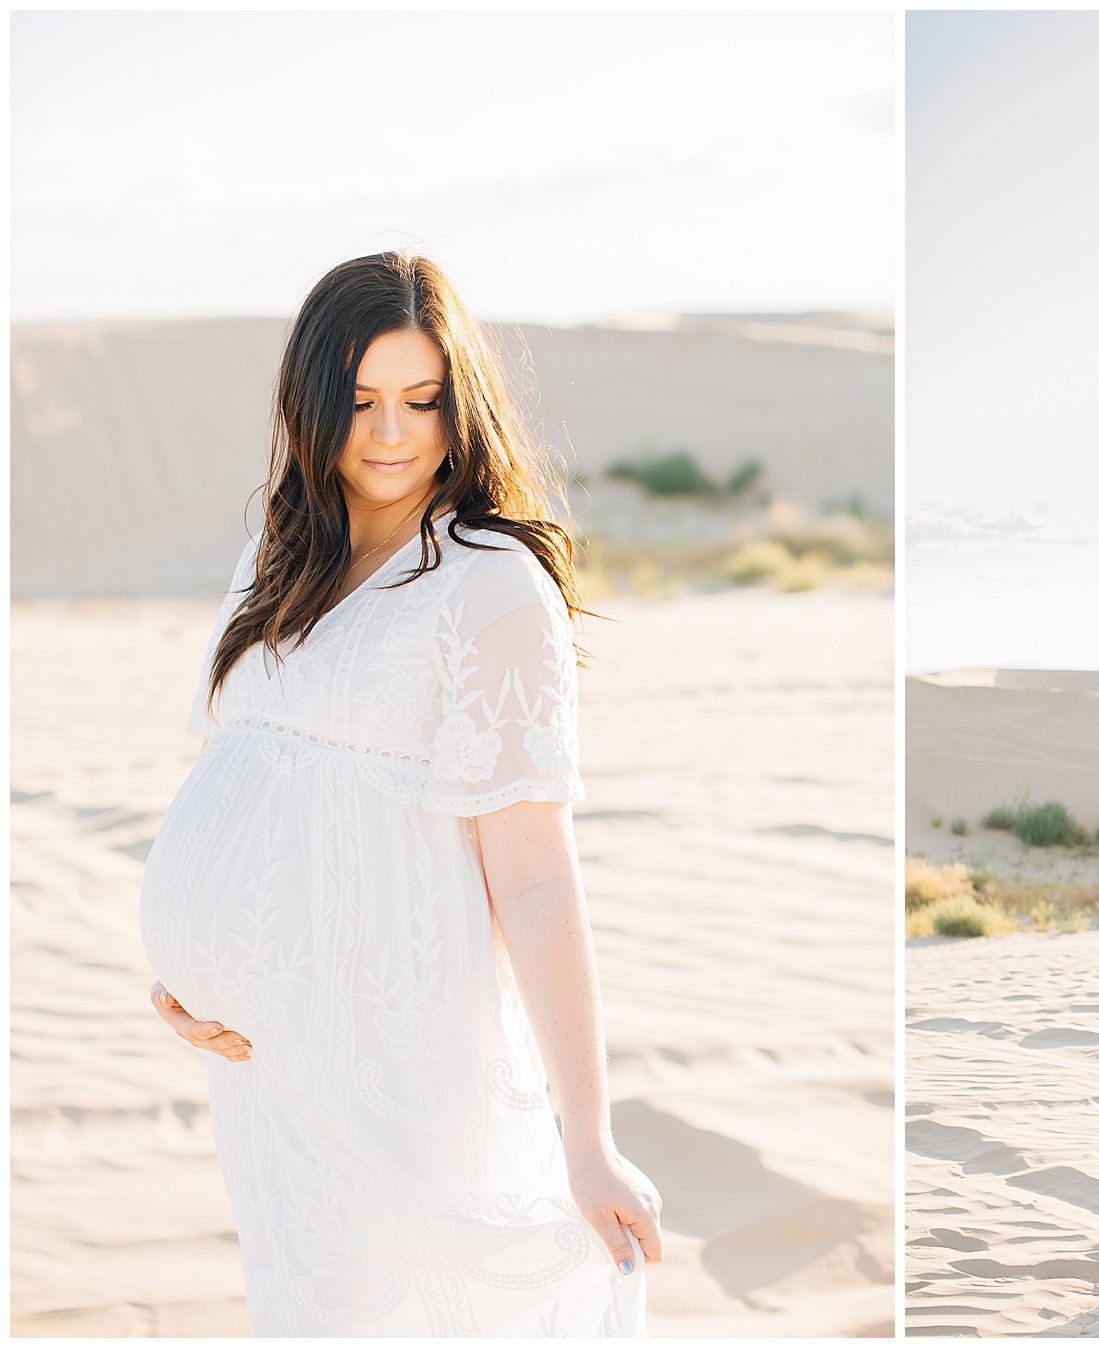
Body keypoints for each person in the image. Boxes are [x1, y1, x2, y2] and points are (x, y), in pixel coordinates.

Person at [138, 252, 662, 1335]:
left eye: (422, 401)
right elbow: (234, 768)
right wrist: (190, 964)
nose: (391, 433)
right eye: (361, 401)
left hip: (396, 1069)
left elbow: (532, 875)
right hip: (266, 1075)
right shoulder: (276, 555)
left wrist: (589, 1133)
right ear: (311, 404)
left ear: (459, 404)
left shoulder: (488, 583)